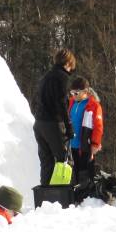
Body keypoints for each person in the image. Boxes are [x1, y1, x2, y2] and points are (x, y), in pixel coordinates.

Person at [33, 48, 76, 186]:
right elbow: (61, 103)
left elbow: (36, 100)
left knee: (46, 162)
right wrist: (68, 126)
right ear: (69, 63)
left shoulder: (45, 77)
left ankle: (45, 197)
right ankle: (65, 196)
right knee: (64, 161)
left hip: (39, 123)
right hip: (53, 123)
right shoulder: (62, 78)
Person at [67, 76, 104, 189]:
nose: (74, 95)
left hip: (85, 144)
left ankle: (88, 195)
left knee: (86, 170)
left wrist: (95, 143)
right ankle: (77, 195)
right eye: (72, 93)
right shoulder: (72, 102)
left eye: (76, 93)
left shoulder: (93, 105)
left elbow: (98, 126)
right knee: (75, 170)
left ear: (86, 91)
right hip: (72, 144)